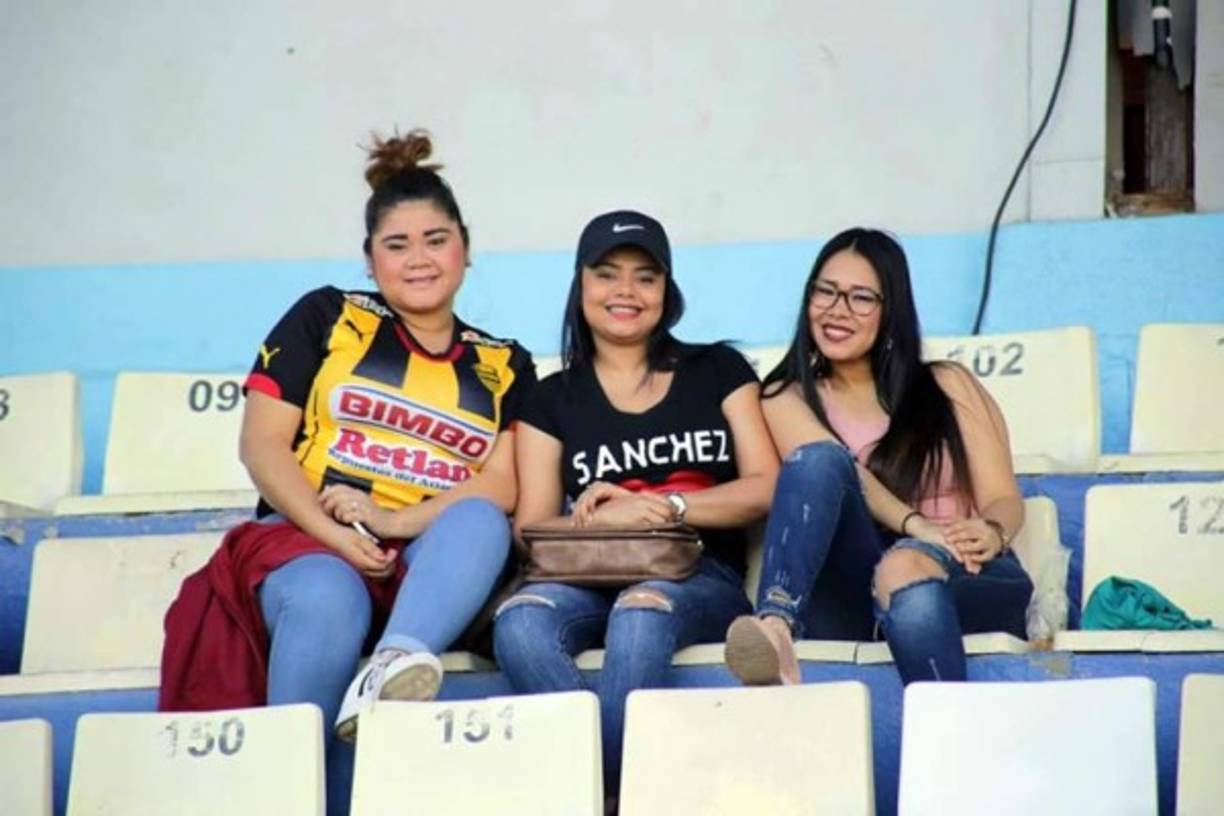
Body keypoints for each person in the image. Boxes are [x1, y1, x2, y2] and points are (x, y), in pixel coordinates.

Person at [160, 130, 533, 814]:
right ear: (370, 260)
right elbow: (263, 446)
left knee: (482, 519)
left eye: (435, 238)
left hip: (424, 554)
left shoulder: (506, 361)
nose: (419, 259)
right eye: (397, 244)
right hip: (307, 538)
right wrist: (339, 535)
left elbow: (502, 484)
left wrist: (391, 522)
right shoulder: (328, 317)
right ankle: (293, 796)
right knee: (333, 597)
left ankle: (392, 667)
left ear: (466, 248)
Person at [492, 210, 779, 802]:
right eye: (607, 274)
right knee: (519, 623)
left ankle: (619, 797)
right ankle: (600, 790)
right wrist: (604, 516)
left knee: (641, 612)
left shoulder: (717, 370)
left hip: (697, 573)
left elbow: (765, 486)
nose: (626, 291)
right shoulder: (551, 399)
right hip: (589, 575)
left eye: (646, 277)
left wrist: (665, 506)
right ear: (581, 285)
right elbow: (532, 527)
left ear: (666, 293)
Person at [723, 227, 1032, 686]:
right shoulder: (783, 397)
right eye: (825, 292)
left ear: (892, 312)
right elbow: (840, 468)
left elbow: (1004, 497)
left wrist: (991, 529)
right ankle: (776, 625)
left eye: (861, 298)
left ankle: (946, 740)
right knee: (817, 463)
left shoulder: (949, 386)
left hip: (965, 572)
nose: (837, 310)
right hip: (857, 588)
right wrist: (914, 525)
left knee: (905, 567)